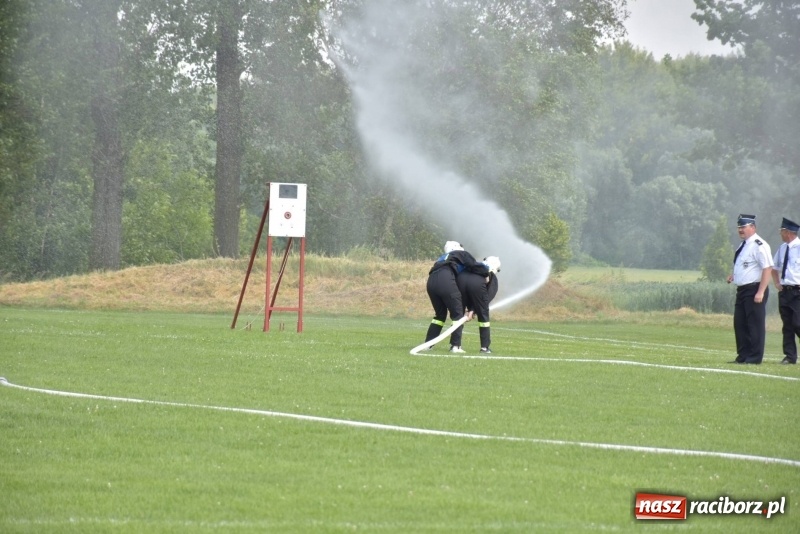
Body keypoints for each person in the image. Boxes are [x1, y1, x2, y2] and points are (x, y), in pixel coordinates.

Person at [424, 241, 487, 353]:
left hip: (431, 282)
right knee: (458, 313)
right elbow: (474, 265)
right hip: (445, 279)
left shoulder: (442, 258)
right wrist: (486, 270)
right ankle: (455, 346)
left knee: (439, 316)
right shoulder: (461, 253)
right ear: (456, 247)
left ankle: (428, 345)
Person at [726, 214, 773, 364]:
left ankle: (754, 357)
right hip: (742, 290)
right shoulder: (743, 245)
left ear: (753, 227)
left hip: (754, 289)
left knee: (754, 325)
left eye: (743, 227)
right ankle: (743, 356)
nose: (740, 230)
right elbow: (746, 266)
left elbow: (767, 268)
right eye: (739, 227)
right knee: (740, 324)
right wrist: (734, 275)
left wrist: (761, 291)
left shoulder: (760, 245)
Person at [771, 217, 800, 365]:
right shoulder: (782, 248)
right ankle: (790, 356)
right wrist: (777, 282)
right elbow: (774, 267)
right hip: (785, 291)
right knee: (787, 325)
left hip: (797, 291)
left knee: (797, 323)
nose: (780, 234)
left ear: (788, 232)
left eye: (781, 231)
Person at [457, 256, 500, 354]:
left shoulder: (473, 267)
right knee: (483, 315)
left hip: (460, 280)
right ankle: (484, 348)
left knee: (458, 314)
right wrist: (474, 310)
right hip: (476, 285)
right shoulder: (491, 275)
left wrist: (470, 309)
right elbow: (486, 297)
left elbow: (470, 290)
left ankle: (455, 345)